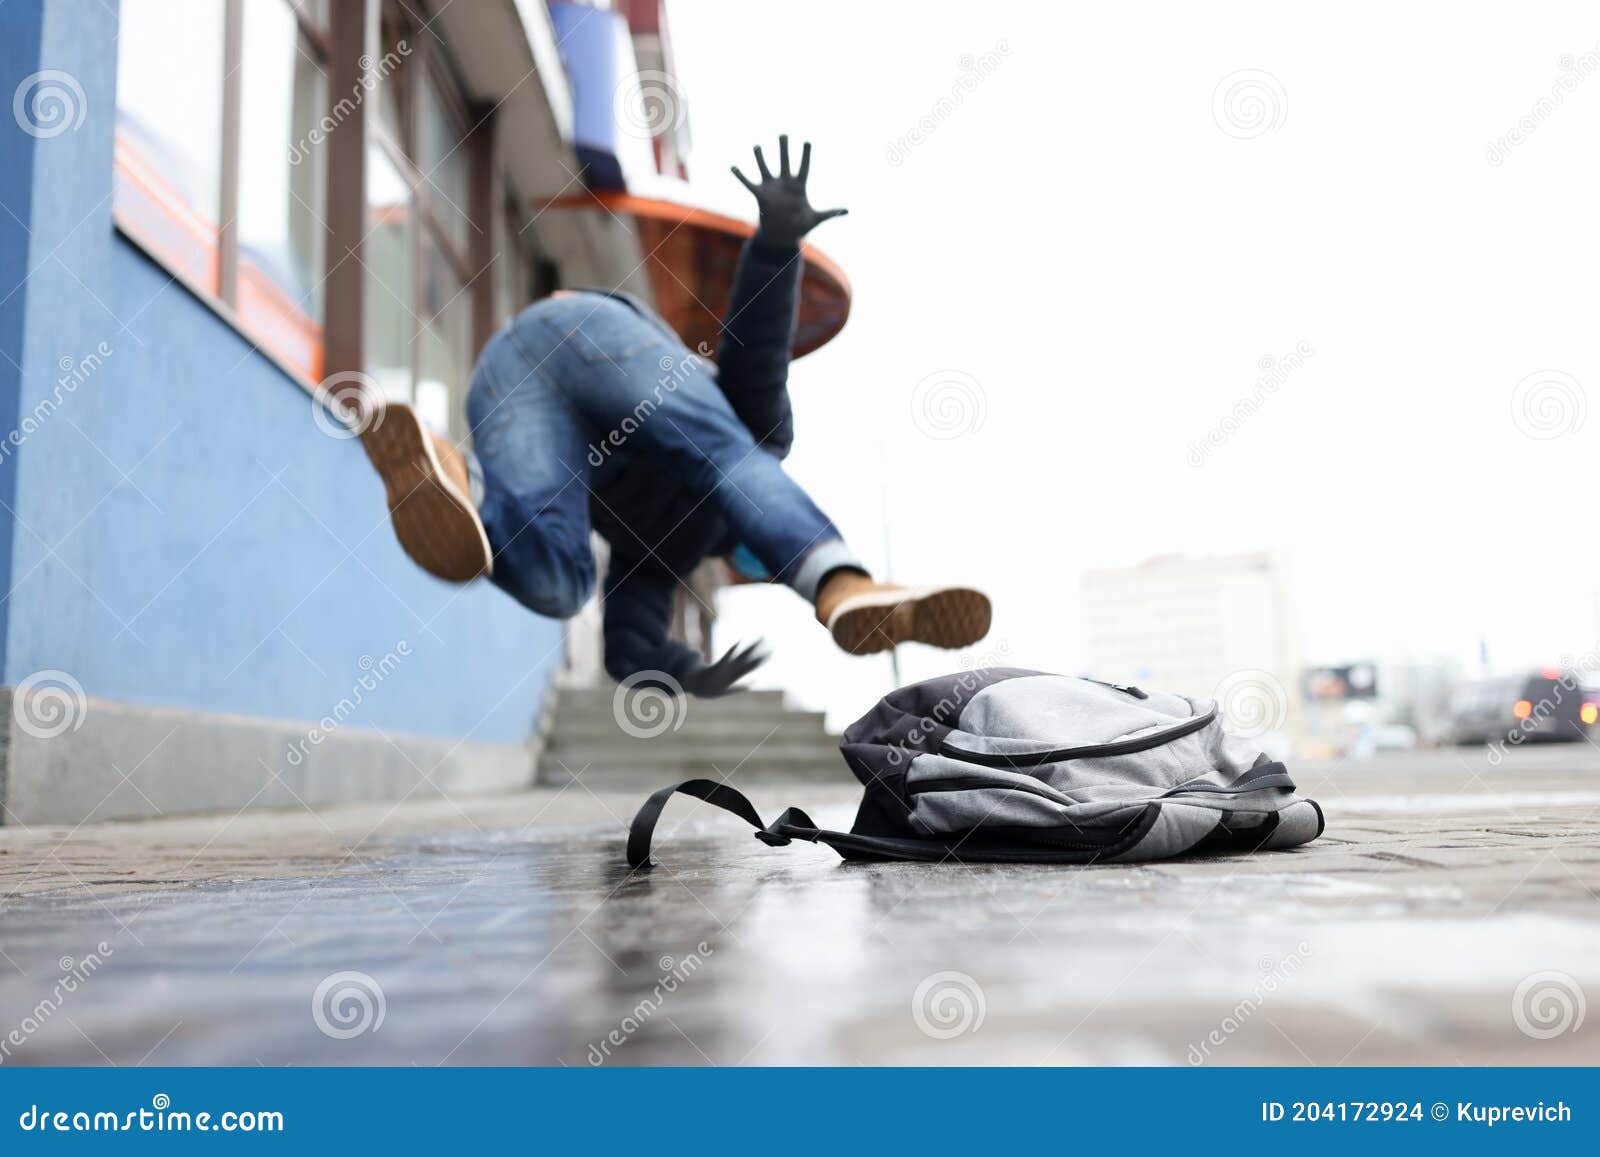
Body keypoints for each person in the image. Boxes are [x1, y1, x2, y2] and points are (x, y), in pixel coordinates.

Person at [359, 137, 990, 696]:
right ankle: (840, 583)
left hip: (511, 376)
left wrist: (685, 674)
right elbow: (757, 354)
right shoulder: (759, 440)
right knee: (735, 455)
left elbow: (626, 649)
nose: (749, 563)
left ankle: (453, 479)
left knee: (559, 580)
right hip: (598, 336)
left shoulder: (656, 560)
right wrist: (774, 248)